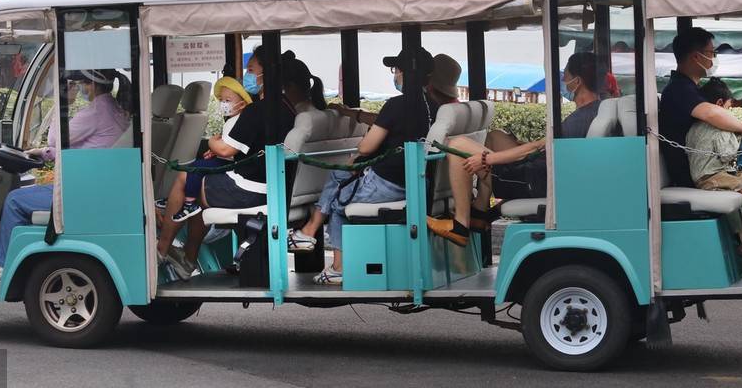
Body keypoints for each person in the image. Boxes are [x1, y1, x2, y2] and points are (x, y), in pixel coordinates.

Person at [155, 49, 326, 277]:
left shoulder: (259, 111)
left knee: (185, 179)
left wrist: (213, 143)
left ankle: (162, 251)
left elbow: (226, 148)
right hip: (273, 189)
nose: (246, 74)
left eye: (251, 69)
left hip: (248, 190)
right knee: (198, 188)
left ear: (268, 74)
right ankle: (187, 257)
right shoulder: (285, 108)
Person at [288, 53, 461, 260]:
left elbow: (367, 147)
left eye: (396, 71)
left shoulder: (398, 104)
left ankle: (321, 247)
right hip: (418, 184)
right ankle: (317, 242)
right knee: (341, 183)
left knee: (338, 194)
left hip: (388, 184)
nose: (395, 75)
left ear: (406, 74)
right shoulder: (434, 107)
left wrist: (356, 155)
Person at [427, 51, 603, 247]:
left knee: (457, 145)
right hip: (542, 172)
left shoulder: (578, 120)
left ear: (577, 82)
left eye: (566, 76)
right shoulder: (594, 110)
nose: (563, 80)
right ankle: (479, 212)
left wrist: (488, 160)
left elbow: (536, 147)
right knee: (495, 137)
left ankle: (460, 225)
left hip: (533, 179)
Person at [0, 69, 131, 285]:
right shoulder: (115, 110)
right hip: (98, 187)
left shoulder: (96, 112)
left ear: (93, 85)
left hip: (80, 193)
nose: (79, 89)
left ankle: (2, 266)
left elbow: (55, 139)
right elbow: (81, 147)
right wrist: (42, 153)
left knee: (14, 200)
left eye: (81, 84)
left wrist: (63, 103)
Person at [658, 27, 742, 255]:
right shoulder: (679, 89)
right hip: (698, 170)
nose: (714, 58)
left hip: (710, 162)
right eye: (711, 52)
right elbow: (711, 113)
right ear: (696, 56)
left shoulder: (689, 88)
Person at [687, 78, 742, 266]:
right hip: (708, 176)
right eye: (728, 107)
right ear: (719, 104)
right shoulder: (714, 125)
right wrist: (740, 132)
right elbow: (726, 154)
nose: (729, 112)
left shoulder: (703, 123)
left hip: (718, 172)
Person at [159, 75, 253, 224]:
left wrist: (213, 145)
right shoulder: (233, 120)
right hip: (224, 159)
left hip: (230, 165)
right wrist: (215, 150)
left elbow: (228, 150)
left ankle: (189, 202)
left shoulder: (241, 121)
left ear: (241, 105)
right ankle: (176, 200)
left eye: (228, 101)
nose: (223, 104)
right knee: (197, 164)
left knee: (196, 168)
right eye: (221, 100)